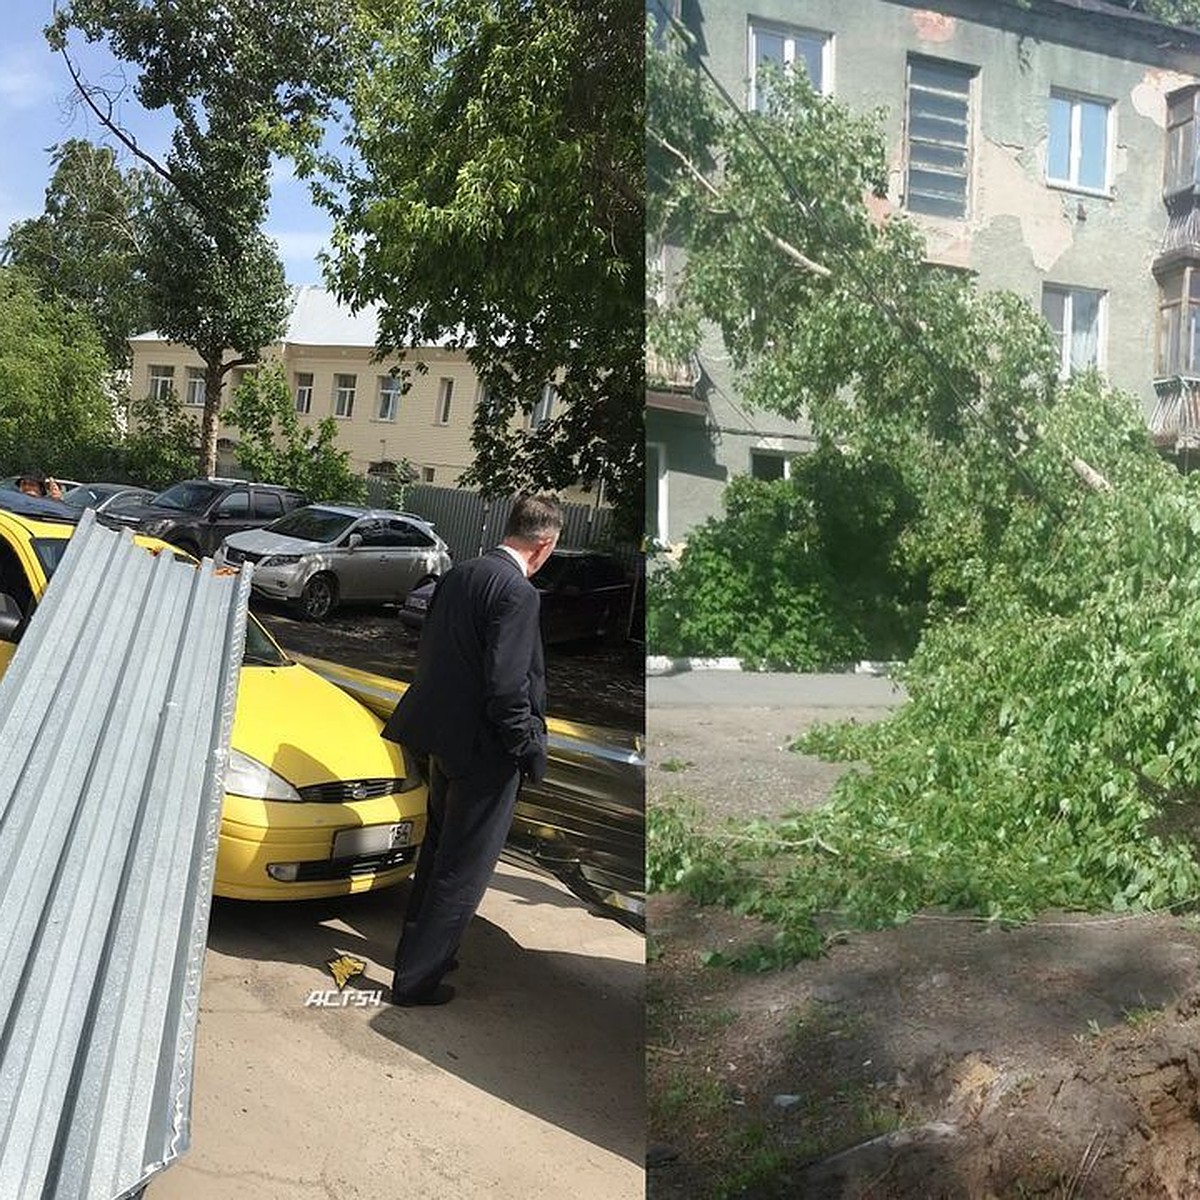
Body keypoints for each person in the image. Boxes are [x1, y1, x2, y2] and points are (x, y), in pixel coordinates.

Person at [381, 493, 563, 1006]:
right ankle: (417, 980)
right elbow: (508, 687)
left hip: (441, 738)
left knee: (438, 853)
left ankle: (417, 954)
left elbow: (437, 654)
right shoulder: (519, 594)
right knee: (465, 868)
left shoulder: (461, 573)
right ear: (544, 545)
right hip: (485, 750)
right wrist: (525, 745)